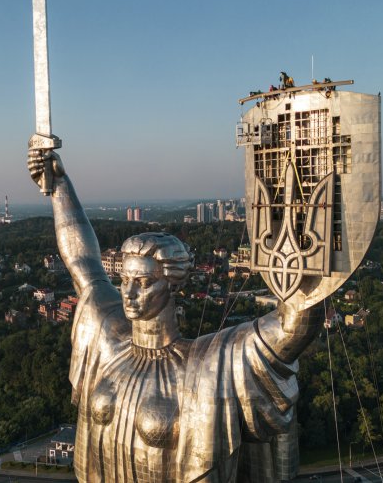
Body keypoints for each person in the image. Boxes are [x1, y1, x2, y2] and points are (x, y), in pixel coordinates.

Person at [27, 149, 322, 483]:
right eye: (125, 281)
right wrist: (59, 184)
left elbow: (295, 325)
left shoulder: (210, 366)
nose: (129, 293)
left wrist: (299, 212)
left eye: (144, 283)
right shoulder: (106, 338)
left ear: (172, 286)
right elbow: (83, 261)